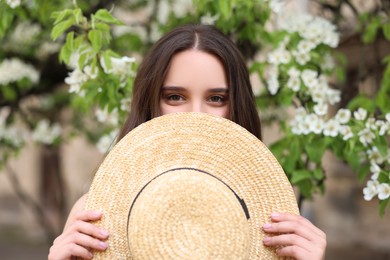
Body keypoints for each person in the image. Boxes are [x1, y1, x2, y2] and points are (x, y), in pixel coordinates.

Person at [48, 24, 326, 260]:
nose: (196, 115)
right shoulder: (94, 216)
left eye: (216, 99)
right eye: (175, 97)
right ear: (150, 101)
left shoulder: (276, 223)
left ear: (237, 106)